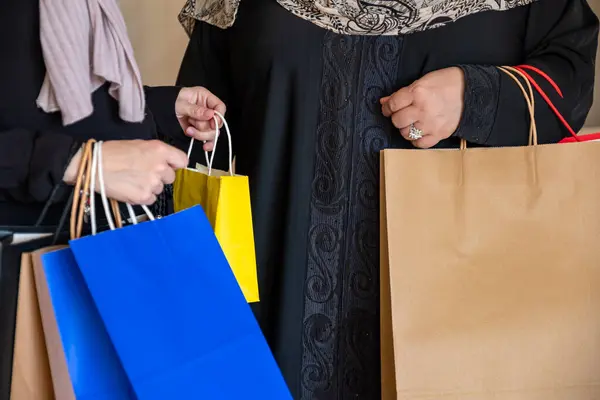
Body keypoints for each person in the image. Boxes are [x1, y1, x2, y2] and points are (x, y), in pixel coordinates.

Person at [176, 0, 599, 398]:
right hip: (268, 311)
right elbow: (192, 131)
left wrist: (473, 97)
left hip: (461, 315)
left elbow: (571, 78)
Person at [0, 0, 226, 226]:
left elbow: (60, 100)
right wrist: (82, 162)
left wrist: (159, 107)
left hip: (115, 230)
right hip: (33, 243)